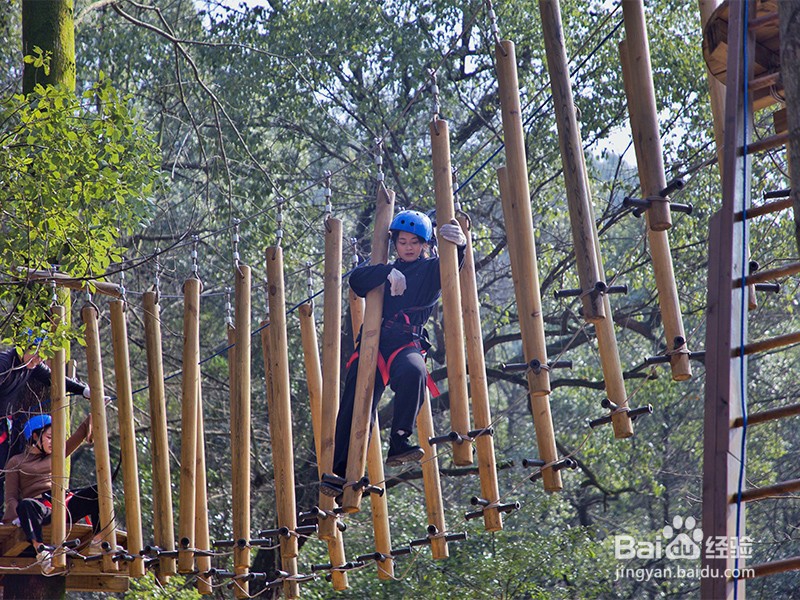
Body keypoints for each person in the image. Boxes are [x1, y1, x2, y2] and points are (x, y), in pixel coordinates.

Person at [321, 209, 467, 497]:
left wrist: (460, 246)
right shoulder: (384, 269)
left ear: (425, 244)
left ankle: (400, 440)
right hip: (374, 343)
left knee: (414, 372)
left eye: (415, 242)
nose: (408, 247)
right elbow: (357, 281)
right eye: (402, 242)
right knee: (355, 401)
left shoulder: (430, 270)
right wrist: (387, 271)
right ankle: (341, 470)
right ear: (395, 244)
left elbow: (452, 267)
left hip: (405, 343)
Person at [0, 341, 93, 513]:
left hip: (5, 428)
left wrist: (85, 391)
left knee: (4, 471)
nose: (38, 360)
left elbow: (55, 378)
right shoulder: (4, 363)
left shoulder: (31, 364)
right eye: (36, 355)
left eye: (41, 356)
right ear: (24, 347)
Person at [4, 413, 101, 574]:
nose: (53, 442)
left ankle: (98, 540)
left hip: (64, 505)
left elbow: (81, 432)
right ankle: (41, 550)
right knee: (26, 504)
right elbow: (11, 497)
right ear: (35, 436)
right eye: (49, 437)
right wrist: (16, 516)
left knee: (99, 491)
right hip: (41, 509)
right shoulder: (16, 462)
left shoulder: (57, 455)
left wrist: (97, 407)